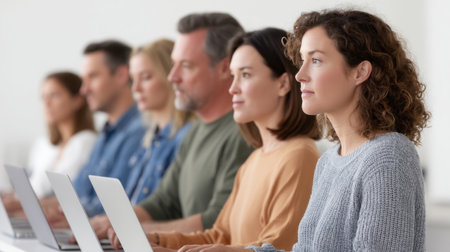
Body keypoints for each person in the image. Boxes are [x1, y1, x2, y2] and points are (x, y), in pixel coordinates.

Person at [109, 28, 322, 251]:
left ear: (283, 84)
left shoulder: (299, 156)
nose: (233, 88)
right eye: (233, 76)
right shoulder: (256, 158)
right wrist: (158, 240)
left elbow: (278, 246)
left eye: (246, 75)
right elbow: (220, 236)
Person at [247, 9, 430, 252]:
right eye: (302, 60)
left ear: (360, 72)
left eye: (316, 60)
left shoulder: (389, 157)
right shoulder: (328, 162)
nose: (300, 75)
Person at [94, 12, 254, 239]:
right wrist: (114, 221)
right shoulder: (197, 128)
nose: (172, 76)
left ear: (224, 68)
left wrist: (135, 230)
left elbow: (217, 222)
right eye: (174, 64)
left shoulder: (244, 134)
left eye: (186, 66)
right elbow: (164, 201)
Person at [44, 40, 146, 225]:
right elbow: (78, 193)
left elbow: (115, 207)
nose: (84, 89)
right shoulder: (105, 133)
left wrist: (66, 214)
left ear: (122, 74)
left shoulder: (139, 132)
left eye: (93, 77)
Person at [1, 72, 96, 213]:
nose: (46, 103)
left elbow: (63, 192)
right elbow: (33, 188)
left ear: (78, 101)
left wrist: (18, 203)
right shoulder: (46, 145)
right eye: (43, 97)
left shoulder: (85, 141)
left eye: (54, 95)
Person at [124, 38, 194, 205]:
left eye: (146, 77)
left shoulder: (187, 136)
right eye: (133, 79)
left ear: (171, 77)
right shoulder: (149, 138)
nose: (135, 89)